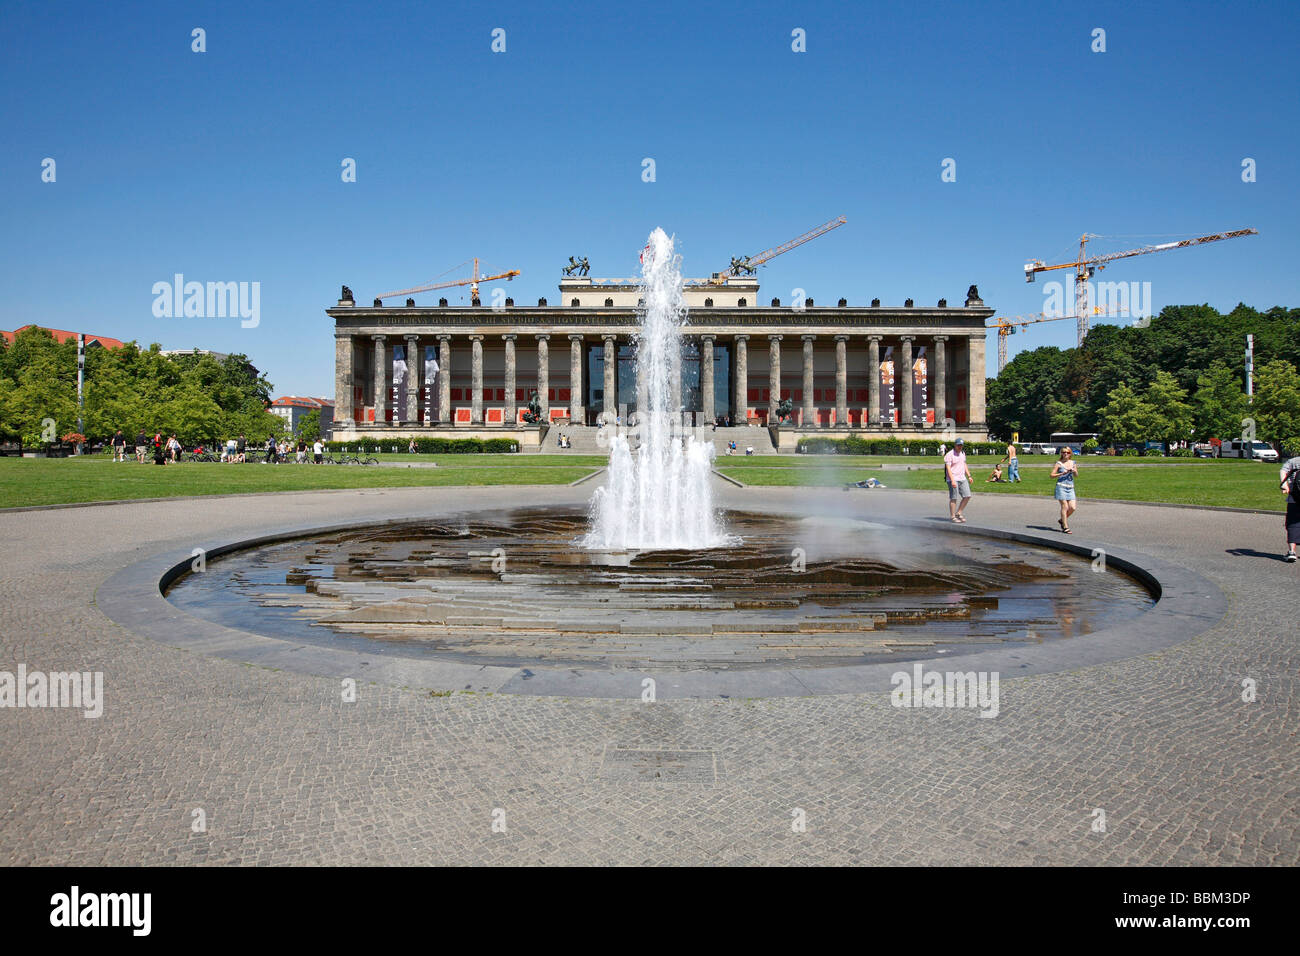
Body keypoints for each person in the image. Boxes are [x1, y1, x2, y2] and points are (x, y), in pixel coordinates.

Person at [944, 437, 973, 522]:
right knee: (954, 497)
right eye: (958, 445)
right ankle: (953, 516)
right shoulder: (949, 454)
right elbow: (948, 468)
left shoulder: (962, 453)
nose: (960, 447)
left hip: (962, 478)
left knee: (967, 495)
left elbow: (964, 464)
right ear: (955, 445)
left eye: (961, 445)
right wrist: (952, 480)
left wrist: (969, 476)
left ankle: (959, 513)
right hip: (953, 478)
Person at [1051, 446, 1079, 533]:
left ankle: (1062, 520)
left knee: (1073, 507)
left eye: (1067, 452)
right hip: (1061, 486)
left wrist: (1074, 471)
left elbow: (1076, 475)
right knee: (1065, 506)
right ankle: (1065, 527)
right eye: (1063, 452)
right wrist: (1062, 473)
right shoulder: (1058, 463)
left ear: (1070, 454)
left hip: (1070, 487)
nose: (1065, 454)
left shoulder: (1073, 463)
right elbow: (1051, 475)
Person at [1280, 453, 1300, 562]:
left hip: (1295, 496)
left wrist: (1285, 485)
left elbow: (1283, 470)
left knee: (1293, 524)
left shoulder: (1294, 461)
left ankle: (1292, 552)